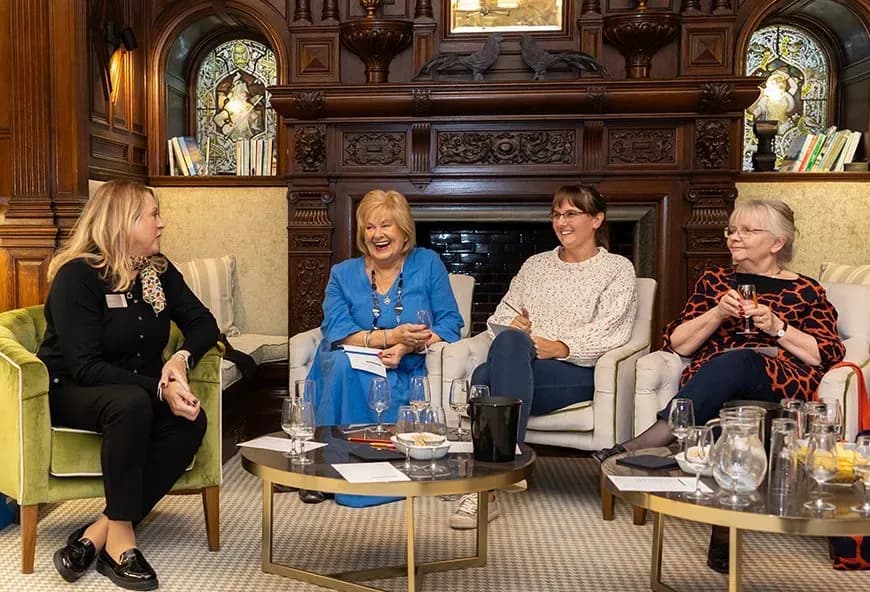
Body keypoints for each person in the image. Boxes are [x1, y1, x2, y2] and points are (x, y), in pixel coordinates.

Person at [592, 198, 846, 572]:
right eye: (731, 230)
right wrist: (716, 313)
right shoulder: (713, 281)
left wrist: (776, 327)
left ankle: (653, 438)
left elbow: (825, 353)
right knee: (736, 408)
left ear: (777, 242)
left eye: (747, 230)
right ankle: (724, 536)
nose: (734, 238)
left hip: (781, 378)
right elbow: (677, 344)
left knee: (741, 359)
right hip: (716, 382)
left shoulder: (806, 291)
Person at [40, 180, 219, 590]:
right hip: (73, 390)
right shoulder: (77, 277)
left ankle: (96, 534)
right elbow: (85, 367)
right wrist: (159, 389)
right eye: (152, 216)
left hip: (136, 389)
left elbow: (203, 323)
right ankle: (121, 543)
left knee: (191, 420)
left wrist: (179, 359)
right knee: (132, 404)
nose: (162, 224)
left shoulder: (157, 270)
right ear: (123, 223)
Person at [449, 184, 638, 529]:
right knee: (507, 346)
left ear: (597, 219)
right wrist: (515, 325)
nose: (562, 222)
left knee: (482, 379)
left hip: (575, 372)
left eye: (571, 214)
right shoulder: (535, 265)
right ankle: (501, 473)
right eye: (556, 214)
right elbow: (501, 314)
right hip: (524, 365)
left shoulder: (617, 268)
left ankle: (488, 481)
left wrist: (562, 347)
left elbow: (614, 330)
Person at [304, 189, 464, 504]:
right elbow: (336, 328)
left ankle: (364, 469)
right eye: (370, 227)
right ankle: (328, 466)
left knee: (357, 373)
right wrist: (392, 337)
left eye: (386, 226)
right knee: (338, 364)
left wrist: (407, 347)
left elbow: (450, 323)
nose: (377, 235)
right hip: (351, 361)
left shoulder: (427, 263)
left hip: (402, 366)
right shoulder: (342, 273)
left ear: (404, 231)